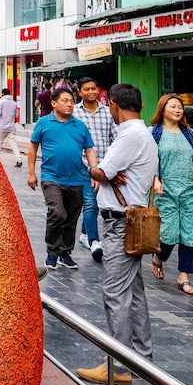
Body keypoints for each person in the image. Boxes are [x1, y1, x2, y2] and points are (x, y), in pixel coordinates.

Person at [77, 84, 158, 385]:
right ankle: (141, 358)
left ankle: (119, 363)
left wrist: (100, 169)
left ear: (113, 105)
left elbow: (101, 172)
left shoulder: (130, 135)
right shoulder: (141, 134)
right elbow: (109, 172)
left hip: (121, 223)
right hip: (130, 220)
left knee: (115, 293)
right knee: (133, 293)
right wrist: (106, 171)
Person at [147, 94, 193, 297]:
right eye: (172, 106)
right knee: (169, 234)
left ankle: (184, 277)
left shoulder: (190, 133)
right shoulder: (153, 133)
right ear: (162, 109)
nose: (177, 110)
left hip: (191, 191)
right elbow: (147, 159)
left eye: (180, 107)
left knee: (190, 234)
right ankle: (158, 257)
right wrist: (154, 179)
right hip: (165, 192)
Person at [27, 87, 96, 271]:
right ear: (54, 103)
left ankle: (65, 253)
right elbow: (33, 148)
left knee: (72, 218)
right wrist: (31, 173)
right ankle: (52, 252)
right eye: (65, 100)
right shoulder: (43, 123)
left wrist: (95, 170)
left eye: (71, 101)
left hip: (77, 178)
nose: (69, 104)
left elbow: (89, 149)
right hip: (51, 177)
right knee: (58, 213)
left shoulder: (79, 126)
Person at [73, 76, 116, 263]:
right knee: (90, 202)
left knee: (98, 203)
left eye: (93, 88)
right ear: (80, 92)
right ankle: (94, 241)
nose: (91, 92)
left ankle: (84, 234)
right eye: (86, 89)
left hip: (106, 167)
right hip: (82, 166)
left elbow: (114, 139)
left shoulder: (108, 113)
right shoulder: (73, 113)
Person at [0, 89, 23, 167]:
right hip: (11, 127)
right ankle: (19, 160)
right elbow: (16, 115)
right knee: (13, 144)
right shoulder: (14, 103)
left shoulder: (1, 102)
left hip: (1, 127)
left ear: (3, 94)